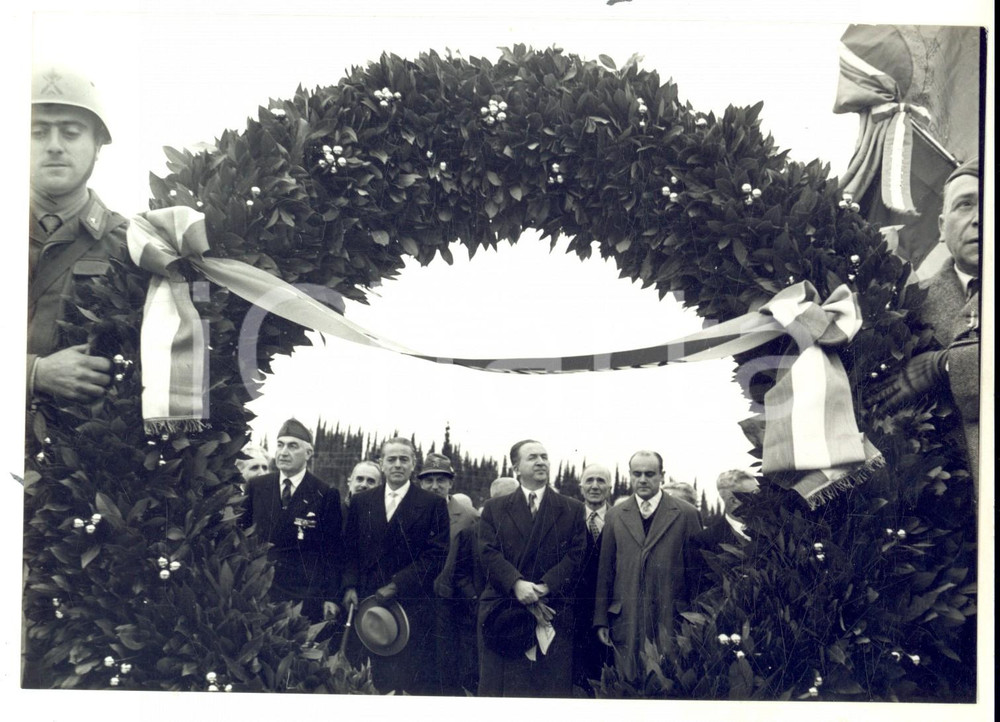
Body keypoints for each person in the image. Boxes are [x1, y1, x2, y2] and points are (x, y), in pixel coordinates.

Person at [869, 158, 981, 491]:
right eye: (965, 205)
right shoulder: (908, 306)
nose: (979, 218)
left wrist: (941, 364)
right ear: (941, 227)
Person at [27, 65, 128, 408]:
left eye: (70, 133)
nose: (54, 146)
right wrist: (33, 372)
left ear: (98, 145)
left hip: (78, 450)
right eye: (38, 132)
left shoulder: (128, 247)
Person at [477, 440, 587, 697]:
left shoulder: (571, 508)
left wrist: (546, 585)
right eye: (532, 457)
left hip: (552, 608)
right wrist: (516, 583)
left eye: (544, 456)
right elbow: (486, 552)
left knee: (548, 693)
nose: (540, 461)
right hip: (504, 612)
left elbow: (577, 555)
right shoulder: (495, 508)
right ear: (516, 468)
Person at [341, 437, 450, 695]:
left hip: (409, 605)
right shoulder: (362, 501)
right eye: (391, 459)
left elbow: (436, 555)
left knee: (402, 682)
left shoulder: (432, 503)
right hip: (366, 604)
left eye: (404, 459)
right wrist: (349, 586)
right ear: (381, 464)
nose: (397, 465)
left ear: (413, 464)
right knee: (364, 679)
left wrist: (397, 584)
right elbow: (350, 551)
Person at [593, 450, 702, 684]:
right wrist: (601, 619)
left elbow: (698, 574)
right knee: (627, 683)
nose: (643, 479)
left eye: (650, 474)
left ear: (662, 476)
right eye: (637, 474)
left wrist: (696, 620)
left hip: (671, 618)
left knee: (668, 684)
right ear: (630, 476)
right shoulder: (614, 516)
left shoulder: (686, 514)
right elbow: (605, 573)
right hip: (626, 621)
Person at [241, 419, 343, 624]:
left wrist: (330, 597)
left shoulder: (325, 493)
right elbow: (243, 534)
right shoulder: (257, 486)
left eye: (292, 446)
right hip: (260, 590)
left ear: (308, 453)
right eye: (280, 445)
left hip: (302, 595)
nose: (283, 452)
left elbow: (332, 551)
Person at [418, 452, 480, 695]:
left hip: (453, 606)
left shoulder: (468, 517)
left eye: (441, 480)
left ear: (451, 483)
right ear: (420, 483)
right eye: (428, 480)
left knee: (448, 668)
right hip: (414, 599)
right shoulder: (410, 510)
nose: (435, 486)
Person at [572, 463, 614, 696]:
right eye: (589, 481)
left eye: (601, 481)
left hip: (610, 613)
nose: (595, 486)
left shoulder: (619, 518)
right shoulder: (568, 518)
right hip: (575, 614)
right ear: (581, 487)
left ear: (610, 487)